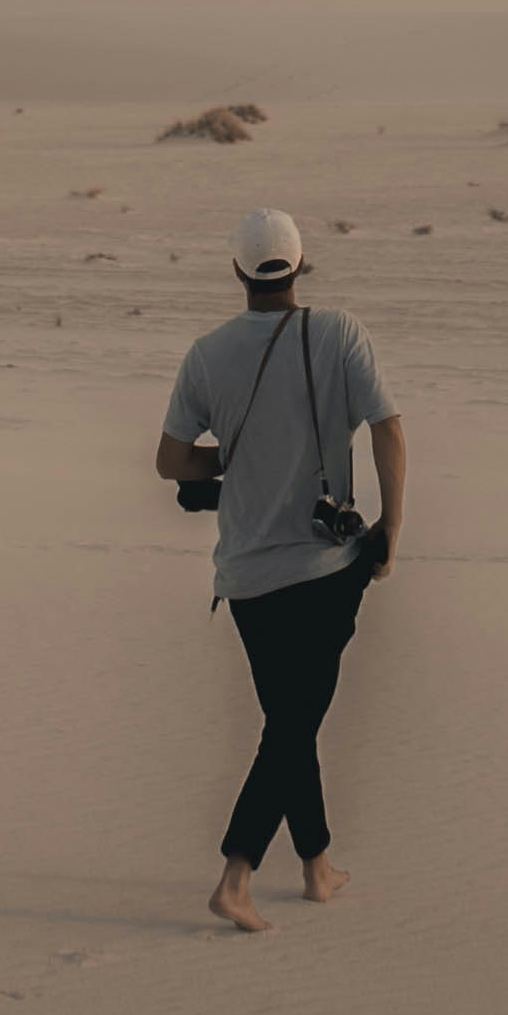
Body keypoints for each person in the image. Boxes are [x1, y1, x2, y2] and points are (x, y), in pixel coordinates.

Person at [156, 205, 407, 935]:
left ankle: (316, 866)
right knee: (294, 723)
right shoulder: (337, 333)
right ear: (300, 267)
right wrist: (391, 529)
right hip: (327, 568)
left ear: (237, 271)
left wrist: (230, 458)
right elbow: (388, 428)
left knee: (289, 720)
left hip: (245, 579)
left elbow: (172, 461)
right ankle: (236, 875)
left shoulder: (206, 354)